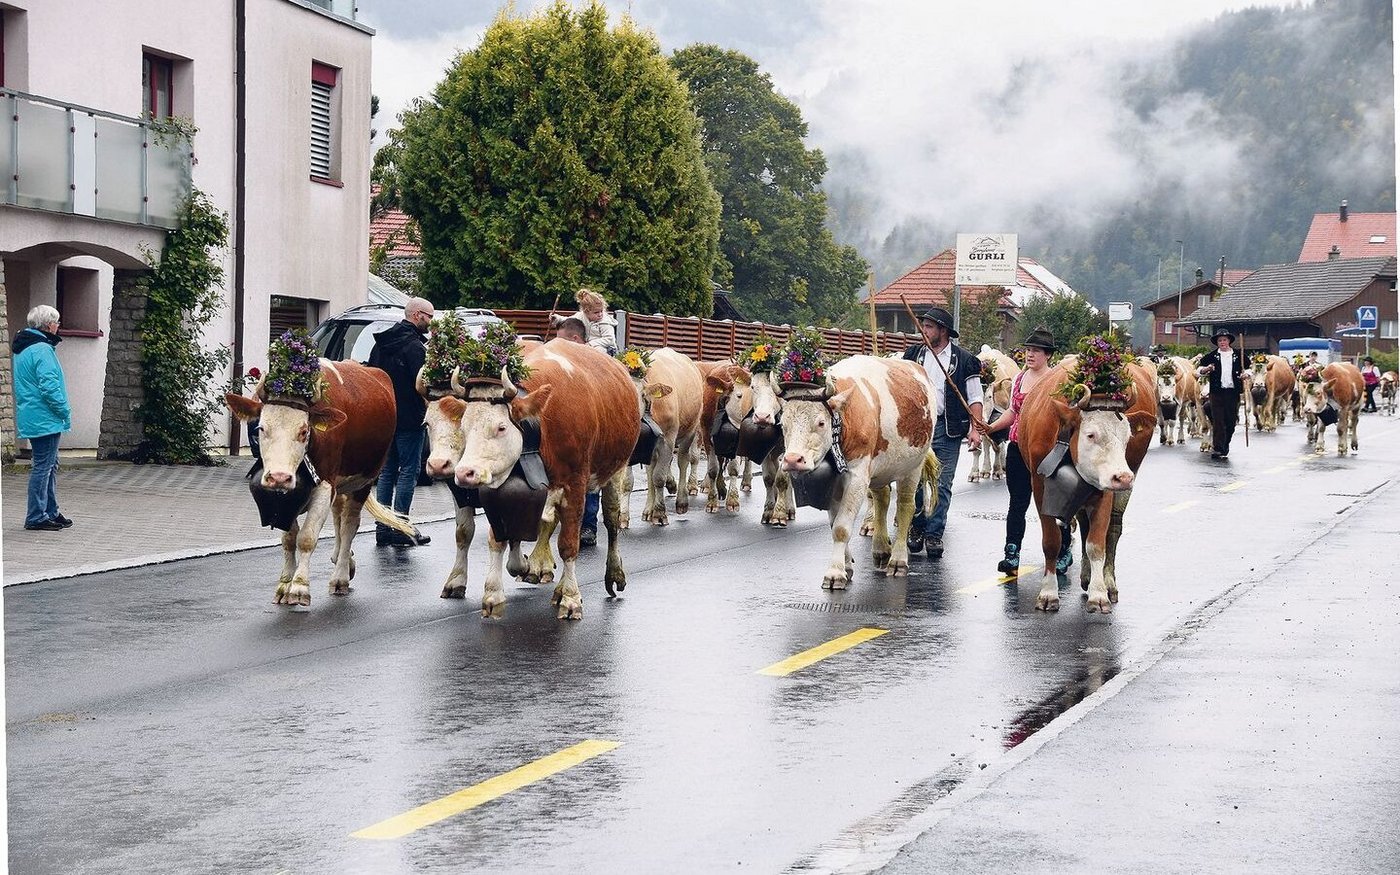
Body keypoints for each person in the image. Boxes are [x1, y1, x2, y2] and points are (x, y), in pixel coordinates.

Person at [982, 327, 1072, 575]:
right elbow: (1013, 412)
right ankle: (1011, 553)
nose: (1030, 355)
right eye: (1028, 350)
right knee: (1017, 501)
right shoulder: (1020, 379)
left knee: (1054, 503)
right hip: (1018, 447)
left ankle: (1064, 549)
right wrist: (990, 427)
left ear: (1048, 355)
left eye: (1036, 351)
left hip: (1049, 450)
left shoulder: (1057, 381)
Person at [902, 307, 983, 558]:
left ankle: (934, 533)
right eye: (923, 326)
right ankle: (916, 528)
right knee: (913, 482)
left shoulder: (964, 359)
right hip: (917, 429)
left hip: (947, 429)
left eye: (929, 327)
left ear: (943, 331)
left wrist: (975, 429)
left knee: (943, 484)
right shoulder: (913, 355)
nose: (923, 331)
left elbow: (975, 397)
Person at [369, 296, 435, 546]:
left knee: (386, 472)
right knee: (409, 471)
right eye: (429, 317)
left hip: (385, 418)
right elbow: (423, 385)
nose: (430, 322)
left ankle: (383, 528)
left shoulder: (381, 344)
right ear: (417, 315)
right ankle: (401, 528)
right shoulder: (415, 347)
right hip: (409, 419)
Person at [12, 305, 73, 531]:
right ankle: (37, 515)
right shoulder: (42, 349)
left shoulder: (24, 348)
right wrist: (64, 410)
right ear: (48, 325)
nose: (58, 326)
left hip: (34, 414)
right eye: (56, 322)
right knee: (43, 467)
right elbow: (49, 387)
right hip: (45, 416)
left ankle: (50, 510)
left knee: (48, 464)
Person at [1197, 327, 1244, 459]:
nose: (1222, 342)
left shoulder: (1238, 355)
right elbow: (1198, 370)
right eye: (1220, 340)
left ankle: (1225, 444)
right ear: (1217, 342)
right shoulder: (1212, 356)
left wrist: (1245, 375)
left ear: (1229, 341)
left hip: (1232, 392)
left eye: (1224, 340)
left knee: (1230, 421)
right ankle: (1217, 448)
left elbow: (1248, 369)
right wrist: (1206, 369)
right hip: (1216, 392)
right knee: (1218, 421)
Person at [551, 287, 618, 355]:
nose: (600, 314)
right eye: (596, 312)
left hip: (606, 349)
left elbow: (610, 339)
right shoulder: (581, 316)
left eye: (601, 311)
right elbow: (569, 320)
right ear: (586, 311)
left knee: (597, 351)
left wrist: (591, 344)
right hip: (588, 346)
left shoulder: (605, 322)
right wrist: (557, 318)